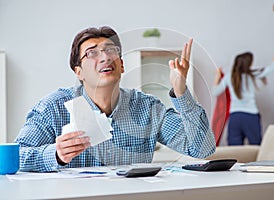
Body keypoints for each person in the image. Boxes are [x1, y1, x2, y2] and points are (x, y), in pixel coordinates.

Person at [15, 26, 216, 172]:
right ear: (79, 72)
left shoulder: (147, 107)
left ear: (121, 65)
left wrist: (181, 92)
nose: (105, 57)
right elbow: (14, 158)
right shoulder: (53, 107)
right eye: (92, 52)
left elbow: (202, 149)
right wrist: (55, 155)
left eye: (111, 50)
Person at [212, 37, 274, 145]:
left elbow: (215, 92)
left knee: (234, 151)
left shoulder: (229, 76)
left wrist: (217, 77)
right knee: (256, 147)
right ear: (248, 64)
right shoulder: (253, 75)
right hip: (251, 116)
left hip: (235, 117)